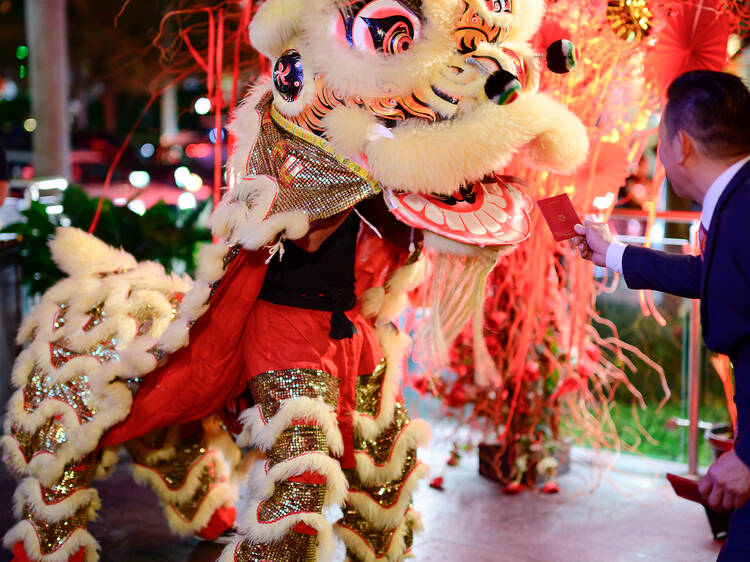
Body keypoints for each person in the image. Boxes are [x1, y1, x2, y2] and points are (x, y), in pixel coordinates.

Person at [573, 70, 750, 561]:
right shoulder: (737, 200)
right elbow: (710, 275)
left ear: (682, 145)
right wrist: (613, 253)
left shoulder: (743, 211)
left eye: (660, 140)